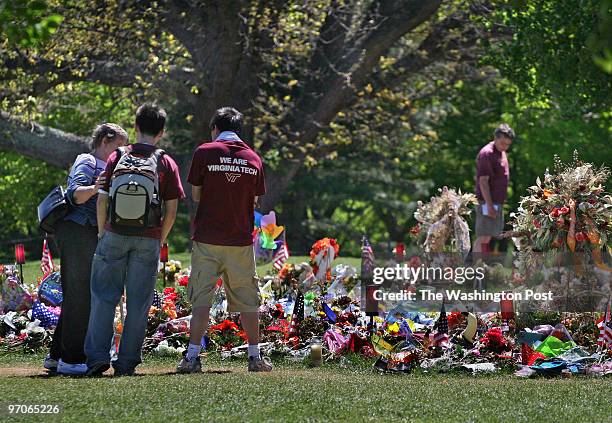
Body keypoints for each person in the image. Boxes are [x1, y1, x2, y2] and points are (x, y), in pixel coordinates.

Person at [84, 103, 184, 376]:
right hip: (148, 238)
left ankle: (96, 359)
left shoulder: (117, 156)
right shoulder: (166, 162)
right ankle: (126, 362)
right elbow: (172, 209)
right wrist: (159, 238)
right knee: (139, 302)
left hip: (114, 234)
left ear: (135, 126)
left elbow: (103, 198)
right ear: (161, 132)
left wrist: (103, 231)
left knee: (104, 297)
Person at [177, 106, 270, 373]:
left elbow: (196, 195)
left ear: (215, 129)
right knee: (248, 299)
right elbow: (254, 200)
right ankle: (254, 357)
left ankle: (192, 357)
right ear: (239, 131)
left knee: (202, 298)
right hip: (239, 239)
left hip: (207, 237)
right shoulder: (253, 158)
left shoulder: (204, 152)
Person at [43, 124, 128, 375]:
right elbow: (75, 195)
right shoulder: (87, 160)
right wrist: (96, 187)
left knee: (77, 295)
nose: (122, 152)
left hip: (88, 233)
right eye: (119, 146)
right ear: (105, 141)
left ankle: (56, 355)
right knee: (81, 295)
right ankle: (72, 360)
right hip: (77, 231)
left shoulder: (110, 164)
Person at [472, 123, 514, 258]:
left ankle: (481, 265)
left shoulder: (501, 152)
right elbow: (483, 182)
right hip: (486, 202)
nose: (505, 147)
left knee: (488, 236)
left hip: (496, 202)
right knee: (483, 235)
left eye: (507, 144)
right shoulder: (487, 153)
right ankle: (475, 268)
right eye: (502, 143)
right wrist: (489, 206)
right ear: (495, 138)